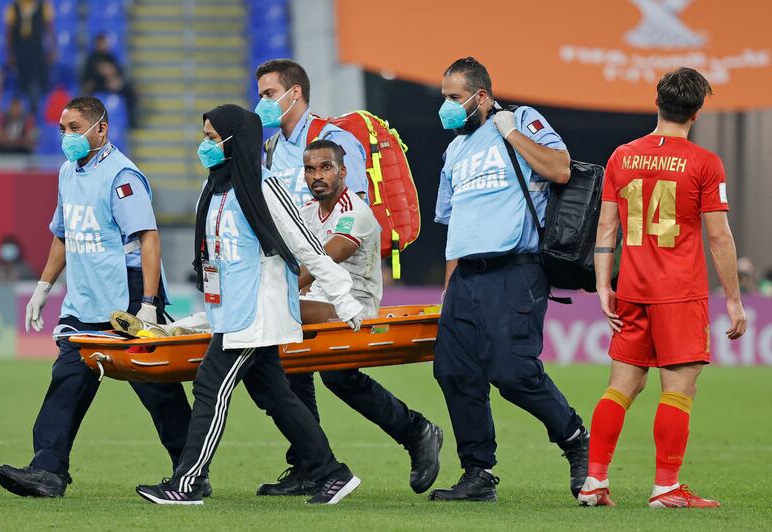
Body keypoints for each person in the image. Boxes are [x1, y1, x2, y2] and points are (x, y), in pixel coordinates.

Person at [135, 104, 365, 506]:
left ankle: (187, 482)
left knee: (211, 386)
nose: (204, 146)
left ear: (233, 139)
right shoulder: (217, 188)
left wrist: (342, 298)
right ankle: (331, 473)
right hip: (233, 310)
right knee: (276, 395)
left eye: (211, 138)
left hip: (256, 313)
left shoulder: (264, 186)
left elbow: (306, 247)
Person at [0, 96, 195, 499]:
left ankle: (191, 470)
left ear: (101, 129)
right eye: (63, 128)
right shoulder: (68, 172)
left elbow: (148, 238)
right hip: (85, 299)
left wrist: (150, 303)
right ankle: (47, 471)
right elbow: (64, 235)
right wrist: (43, 287)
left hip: (129, 298)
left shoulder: (122, 176)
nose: (67, 136)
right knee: (67, 380)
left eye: (74, 127)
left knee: (157, 390)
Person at [578, 67, 746, 509]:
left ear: (657, 102)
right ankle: (666, 488)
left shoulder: (622, 156)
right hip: (679, 292)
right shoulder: (704, 163)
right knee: (679, 389)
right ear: (697, 111)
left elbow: (606, 225)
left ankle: (594, 483)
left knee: (621, 385)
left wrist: (601, 283)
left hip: (631, 289)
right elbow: (719, 237)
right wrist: (733, 299)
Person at [429, 57, 588, 502]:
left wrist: (509, 132)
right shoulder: (454, 151)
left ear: (481, 96)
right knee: (454, 372)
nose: (447, 106)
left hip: (514, 270)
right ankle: (478, 473)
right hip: (465, 278)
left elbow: (560, 169)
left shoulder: (520, 120)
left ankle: (574, 437)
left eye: (455, 98)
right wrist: (448, 291)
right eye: (444, 97)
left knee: (513, 373)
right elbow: (453, 226)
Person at [255, 139, 442, 497]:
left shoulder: (355, 211)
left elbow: (322, 263)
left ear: (343, 172)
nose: (317, 176)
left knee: (299, 358)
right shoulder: (307, 212)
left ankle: (413, 431)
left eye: (325, 167)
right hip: (315, 309)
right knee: (302, 373)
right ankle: (312, 464)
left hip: (352, 308)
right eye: (310, 169)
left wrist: (277, 296)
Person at [255, 58, 367, 206]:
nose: (263, 103)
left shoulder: (334, 139)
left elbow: (356, 207)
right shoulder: (271, 148)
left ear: (295, 92)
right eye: (261, 96)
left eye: (270, 94)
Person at [4, 0, 54, 114]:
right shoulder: (13, 7)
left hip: (37, 51)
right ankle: (23, 112)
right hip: (20, 52)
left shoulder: (44, 6)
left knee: (39, 81)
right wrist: (10, 53)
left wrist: (51, 48)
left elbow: (49, 29)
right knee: (22, 83)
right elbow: (9, 33)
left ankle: (37, 110)